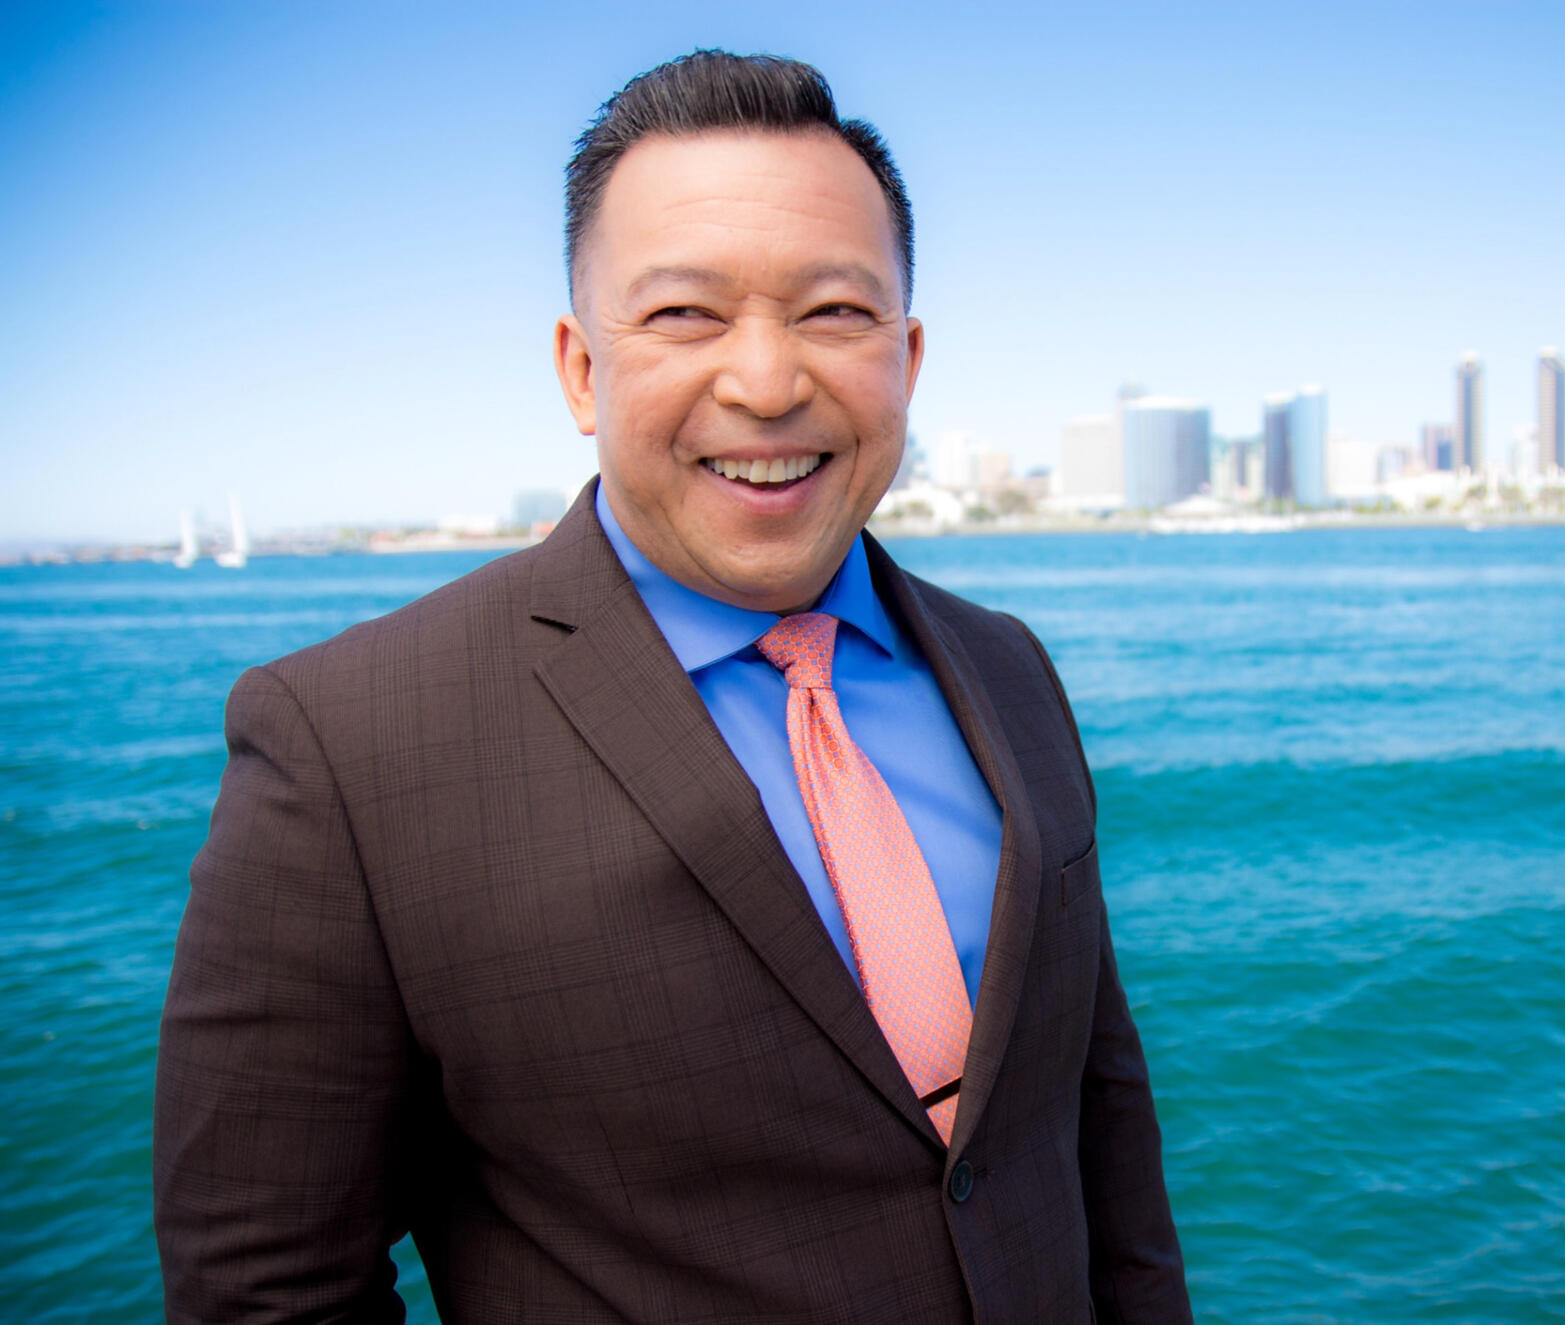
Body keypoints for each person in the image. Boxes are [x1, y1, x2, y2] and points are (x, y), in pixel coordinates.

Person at [154, 49, 1190, 1323]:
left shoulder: (1010, 668)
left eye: (834, 312)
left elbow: (1095, 1115)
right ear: (582, 369)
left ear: (907, 358)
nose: (765, 382)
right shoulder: (347, 745)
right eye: (686, 315)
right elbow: (265, 1287)